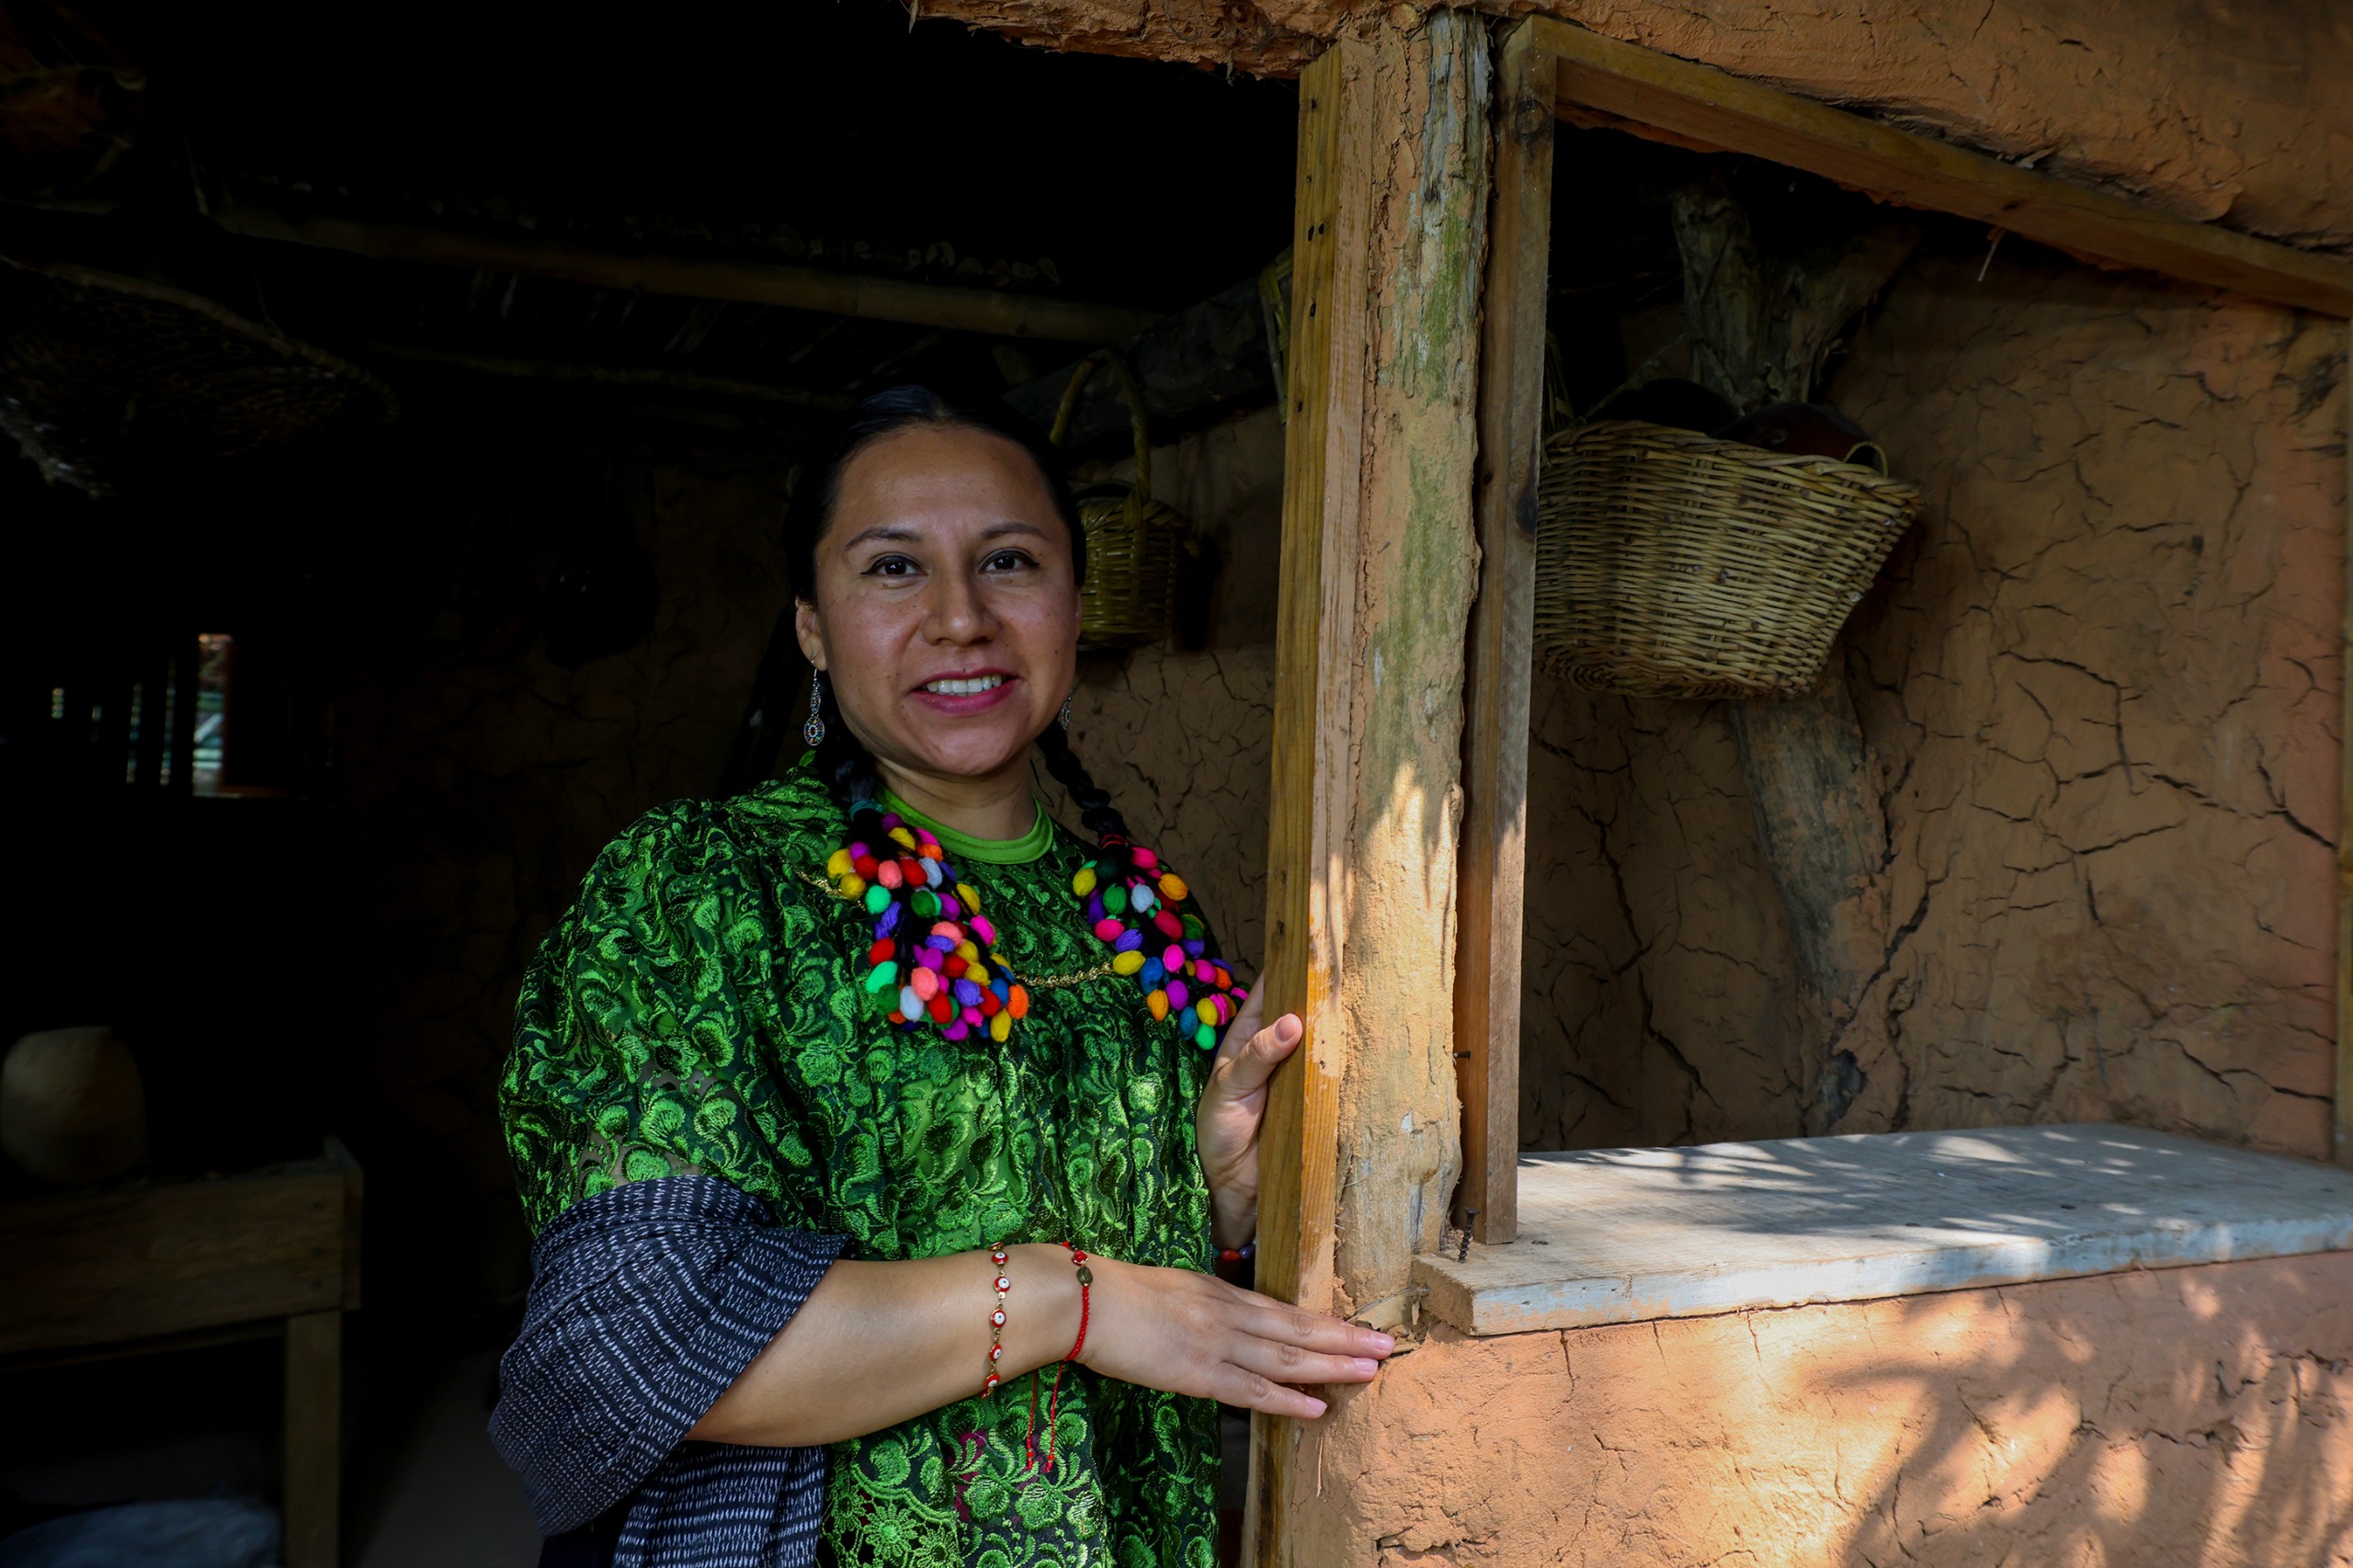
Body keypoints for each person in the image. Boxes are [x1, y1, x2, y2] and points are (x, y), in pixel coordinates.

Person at [492, 386, 1395, 1568]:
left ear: (1073, 604)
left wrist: (1220, 1198)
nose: (961, 618)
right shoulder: (700, 890)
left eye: (1008, 560)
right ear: (811, 625)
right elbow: (635, 1343)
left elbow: (1189, 1311)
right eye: (891, 569)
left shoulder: (1139, 917)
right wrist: (1074, 1297)